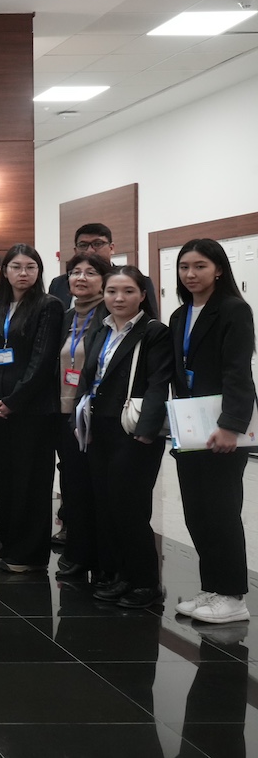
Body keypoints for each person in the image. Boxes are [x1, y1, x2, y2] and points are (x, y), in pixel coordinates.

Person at [170, 239, 257, 625]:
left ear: (219, 269)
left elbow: (238, 371)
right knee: (197, 511)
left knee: (221, 510)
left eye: (200, 266)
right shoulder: (180, 315)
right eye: (184, 267)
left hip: (222, 426)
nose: (190, 274)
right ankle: (214, 587)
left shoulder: (233, 310)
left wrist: (230, 426)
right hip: (190, 425)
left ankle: (233, 596)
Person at [78, 267, 172, 609]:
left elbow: (159, 383)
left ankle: (145, 583)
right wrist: (80, 420)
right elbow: (89, 377)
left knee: (130, 507)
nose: (119, 298)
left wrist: (147, 431)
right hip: (99, 427)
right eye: (112, 291)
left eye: (128, 291)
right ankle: (119, 574)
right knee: (106, 505)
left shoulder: (154, 332)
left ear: (142, 295)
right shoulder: (101, 329)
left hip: (133, 430)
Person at [0, 244, 64, 573]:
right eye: (16, 267)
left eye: (30, 267)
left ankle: (30, 553)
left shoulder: (48, 306)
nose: (23, 273)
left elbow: (42, 361)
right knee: (6, 482)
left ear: (39, 271)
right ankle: (11, 546)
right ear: (5, 271)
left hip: (32, 411)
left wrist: (14, 402)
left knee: (31, 481)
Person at [52, 253, 111, 581]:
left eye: (91, 273)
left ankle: (104, 559)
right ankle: (78, 554)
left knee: (98, 488)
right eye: (76, 272)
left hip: (95, 414)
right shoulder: (65, 316)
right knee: (73, 487)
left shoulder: (109, 315)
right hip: (65, 415)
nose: (82, 278)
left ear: (103, 280)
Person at [47, 223, 159, 315]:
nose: (90, 250)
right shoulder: (59, 283)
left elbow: (149, 320)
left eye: (97, 244)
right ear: (75, 250)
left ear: (111, 248)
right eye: (83, 245)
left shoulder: (134, 281)